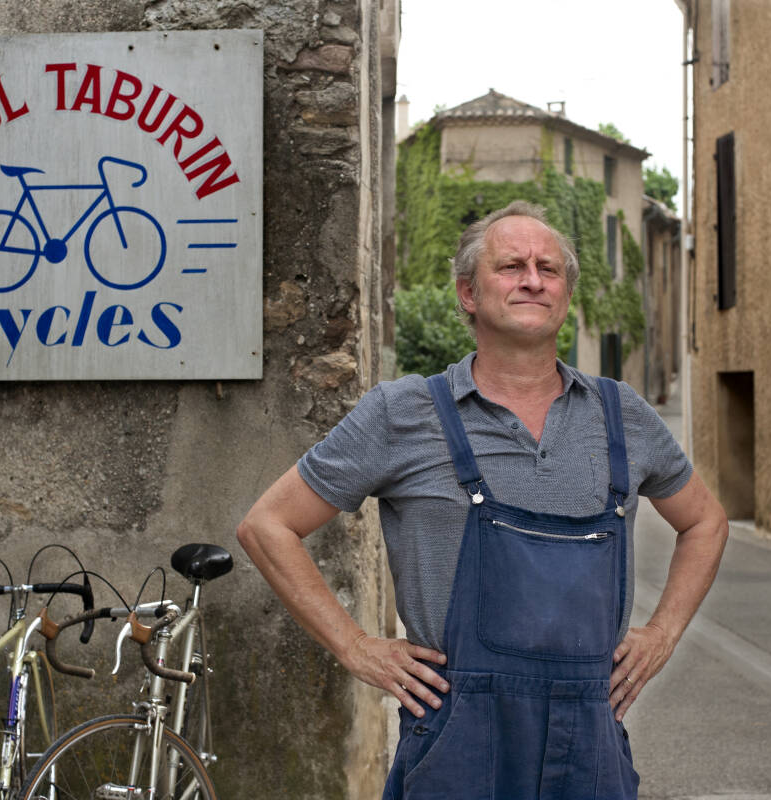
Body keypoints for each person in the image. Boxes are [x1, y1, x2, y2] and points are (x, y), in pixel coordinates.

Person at [237, 201, 729, 799]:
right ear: (468, 294)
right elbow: (268, 526)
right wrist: (357, 647)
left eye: (548, 269)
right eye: (512, 266)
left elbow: (704, 521)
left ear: (565, 295)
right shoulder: (404, 413)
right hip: (456, 742)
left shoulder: (620, 414)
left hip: (589, 741)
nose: (532, 279)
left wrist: (663, 633)